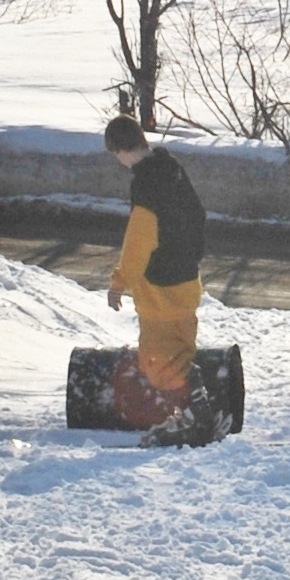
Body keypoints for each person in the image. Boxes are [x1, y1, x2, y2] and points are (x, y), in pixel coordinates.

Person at [101, 111, 207, 431]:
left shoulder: (146, 183)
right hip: (187, 282)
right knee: (182, 353)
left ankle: (197, 416)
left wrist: (119, 281)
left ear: (121, 151)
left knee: (158, 363)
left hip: (159, 289)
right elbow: (197, 216)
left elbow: (139, 241)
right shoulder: (171, 167)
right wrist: (190, 256)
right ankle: (192, 414)